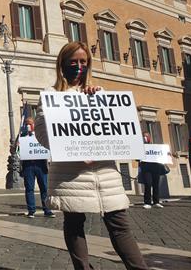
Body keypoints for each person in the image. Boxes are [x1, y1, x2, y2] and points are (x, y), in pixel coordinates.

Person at [34, 42, 148, 270]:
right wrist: (72, 150)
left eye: (83, 62)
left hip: (104, 172)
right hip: (71, 173)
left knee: (119, 223)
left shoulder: (100, 93)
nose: (78, 66)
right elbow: (42, 133)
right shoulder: (51, 95)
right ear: (63, 65)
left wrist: (95, 99)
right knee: (74, 222)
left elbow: (116, 128)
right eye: (73, 62)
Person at [20, 117, 55, 219]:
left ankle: (47, 210)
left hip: (41, 165)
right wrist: (16, 147)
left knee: (44, 188)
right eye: (26, 123)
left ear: (34, 125)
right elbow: (15, 152)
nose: (28, 125)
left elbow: (48, 147)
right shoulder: (22, 137)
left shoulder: (41, 136)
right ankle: (31, 210)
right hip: (28, 166)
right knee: (29, 189)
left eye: (30, 124)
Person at [139, 131, 166, 209]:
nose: (146, 138)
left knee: (156, 185)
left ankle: (156, 202)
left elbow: (160, 154)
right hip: (146, 168)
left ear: (150, 137)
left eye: (147, 136)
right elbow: (137, 158)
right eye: (144, 136)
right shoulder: (140, 147)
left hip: (156, 167)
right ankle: (147, 202)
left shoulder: (155, 146)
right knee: (148, 184)